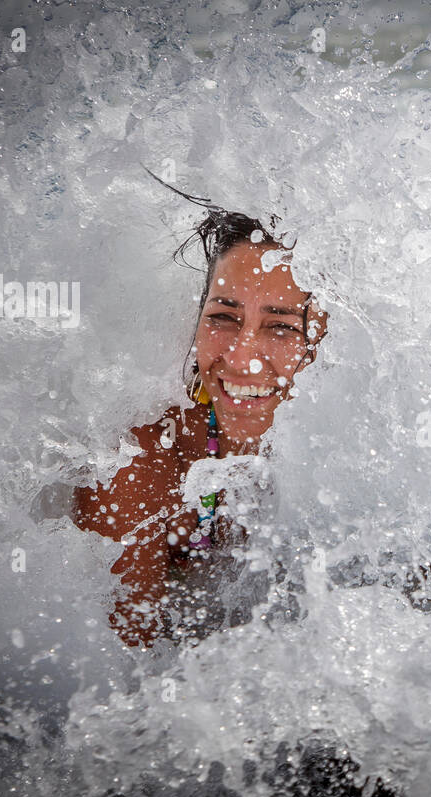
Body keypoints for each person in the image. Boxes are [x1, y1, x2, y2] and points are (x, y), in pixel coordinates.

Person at [73, 194, 327, 646]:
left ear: (322, 341)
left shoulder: (362, 463)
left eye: (282, 327)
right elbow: (116, 675)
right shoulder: (139, 469)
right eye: (224, 317)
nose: (242, 358)